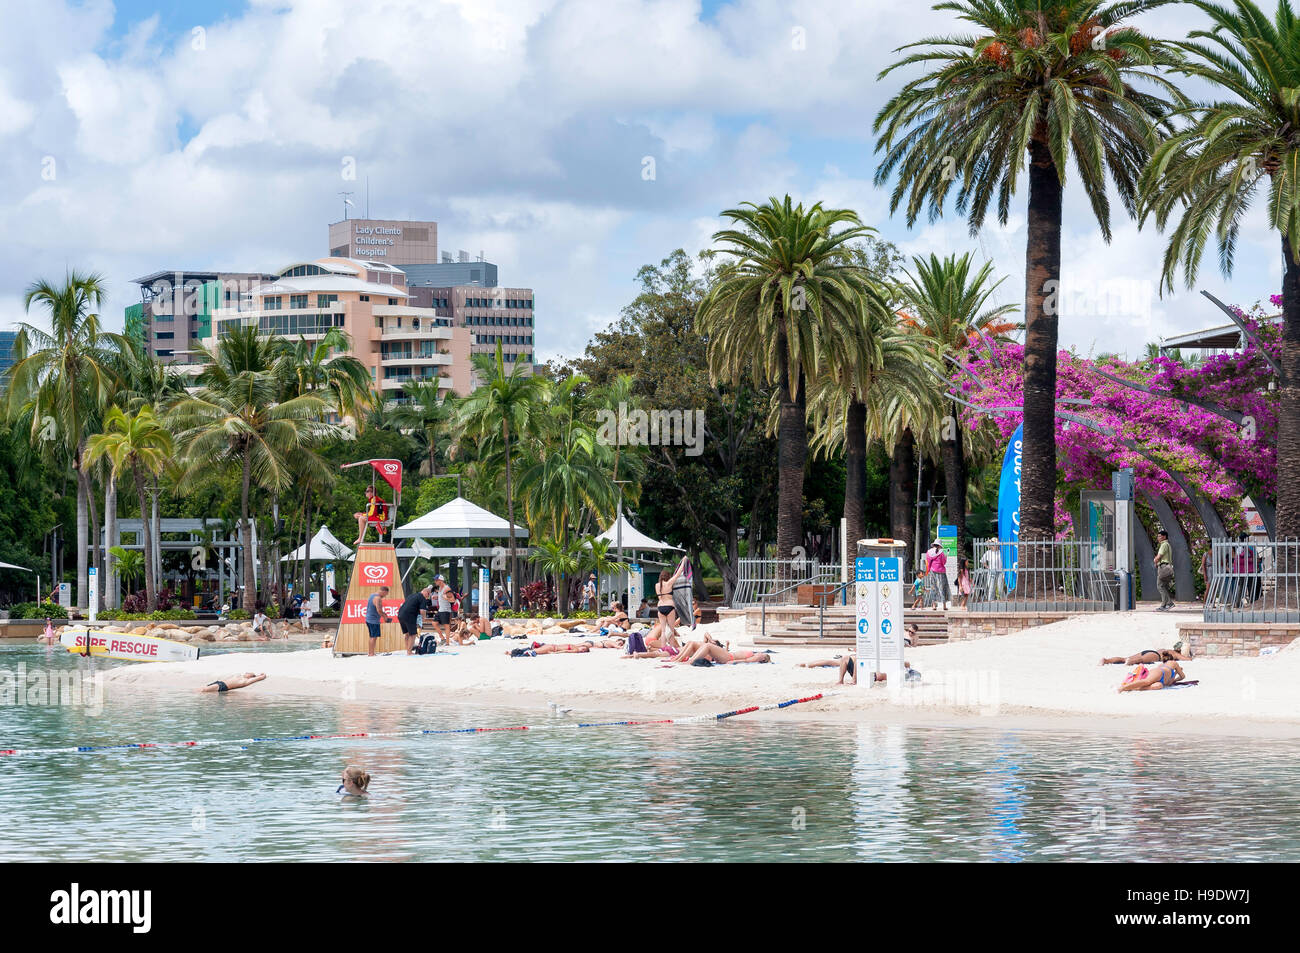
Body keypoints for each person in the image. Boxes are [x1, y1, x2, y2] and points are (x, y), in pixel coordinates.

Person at [398, 585, 434, 655]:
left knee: (407, 634)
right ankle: (409, 651)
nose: (428, 597)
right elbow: (422, 611)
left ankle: (407, 649)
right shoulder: (422, 598)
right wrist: (424, 619)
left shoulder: (413, 595)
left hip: (400, 614)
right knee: (413, 634)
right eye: (428, 595)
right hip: (409, 615)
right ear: (427, 593)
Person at [1118, 660, 1186, 692]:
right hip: (1159, 672)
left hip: (1161, 680)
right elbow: (1182, 677)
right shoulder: (1174, 663)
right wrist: (1178, 671)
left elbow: (1169, 683)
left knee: (1158, 686)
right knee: (1147, 681)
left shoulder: (1170, 669)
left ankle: (1133, 688)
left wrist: (1176, 673)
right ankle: (1123, 687)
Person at [923, 539, 950, 609]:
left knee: (933, 587)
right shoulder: (941, 552)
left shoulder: (929, 552)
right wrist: (946, 555)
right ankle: (944, 605)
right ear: (940, 545)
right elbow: (943, 562)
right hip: (941, 571)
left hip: (932, 571)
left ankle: (934, 605)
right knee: (942, 587)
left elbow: (928, 562)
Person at [365, 585, 390, 657]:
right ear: (383, 591)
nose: (385, 596)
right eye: (385, 594)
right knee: (374, 637)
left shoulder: (372, 595)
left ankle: (371, 653)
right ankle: (371, 653)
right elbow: (379, 610)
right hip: (373, 620)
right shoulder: (378, 598)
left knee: (371, 636)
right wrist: (385, 616)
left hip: (369, 619)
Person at [1154, 529, 1176, 611]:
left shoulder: (1164, 544)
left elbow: (1159, 556)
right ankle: (1165, 605)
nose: (1158, 538)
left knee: (1160, 586)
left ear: (1164, 537)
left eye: (1159, 536)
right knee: (1164, 586)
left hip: (1163, 567)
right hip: (1168, 567)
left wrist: (1155, 560)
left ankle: (1168, 603)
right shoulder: (1168, 544)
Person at [1101, 648, 1192, 665]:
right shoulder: (1175, 654)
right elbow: (1187, 660)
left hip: (1149, 651)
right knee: (1140, 660)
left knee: (1124, 658)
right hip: (1155, 656)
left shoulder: (1166, 649)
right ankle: (1130, 662)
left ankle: (1106, 660)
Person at [199, 672, 267, 693]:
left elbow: (259, 678)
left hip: (223, 686)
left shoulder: (245, 681)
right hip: (219, 682)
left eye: (248, 673)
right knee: (200, 689)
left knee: (203, 690)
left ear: (251, 676)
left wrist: (262, 675)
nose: (246, 672)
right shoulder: (239, 676)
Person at [433, 575, 454, 645]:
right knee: (434, 623)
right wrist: (436, 597)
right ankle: (442, 638)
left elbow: (453, 600)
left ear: (441, 580)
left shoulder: (447, 588)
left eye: (436, 580)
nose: (435, 582)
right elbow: (442, 597)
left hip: (446, 610)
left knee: (446, 626)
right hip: (440, 610)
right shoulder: (440, 588)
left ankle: (447, 642)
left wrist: (446, 598)